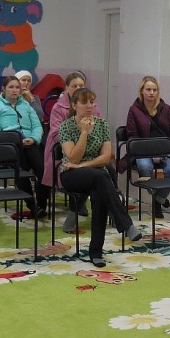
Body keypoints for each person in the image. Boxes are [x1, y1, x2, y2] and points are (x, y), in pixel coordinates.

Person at [59, 87, 143, 266]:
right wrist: (84, 132)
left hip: (94, 174)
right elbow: (73, 158)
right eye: (84, 102)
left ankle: (96, 253)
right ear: (74, 105)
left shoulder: (102, 124)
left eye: (92, 102)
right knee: (102, 177)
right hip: (71, 175)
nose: (89, 106)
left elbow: (105, 158)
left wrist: (83, 165)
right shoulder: (66, 126)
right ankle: (126, 224)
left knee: (99, 194)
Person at [43, 71, 102, 231]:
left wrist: (89, 139)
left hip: (90, 152)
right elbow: (56, 134)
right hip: (65, 152)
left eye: (81, 85)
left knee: (106, 171)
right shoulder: (58, 107)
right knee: (97, 174)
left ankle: (92, 209)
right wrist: (80, 135)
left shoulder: (93, 107)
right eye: (74, 86)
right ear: (67, 88)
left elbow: (99, 131)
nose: (78, 88)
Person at [122, 75, 170, 218]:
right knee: (145, 168)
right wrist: (147, 149)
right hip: (143, 150)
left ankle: (158, 199)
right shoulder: (134, 110)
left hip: (165, 149)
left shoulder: (165, 109)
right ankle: (159, 197)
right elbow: (132, 135)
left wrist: (167, 146)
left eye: (154, 90)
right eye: (148, 89)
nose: (151, 93)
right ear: (142, 91)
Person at [0, 74, 47, 218]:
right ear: (3, 89)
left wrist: (33, 138)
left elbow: (37, 125)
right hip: (10, 146)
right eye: (11, 87)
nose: (14, 90)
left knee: (44, 170)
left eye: (17, 87)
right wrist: (12, 140)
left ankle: (42, 204)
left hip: (30, 143)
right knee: (20, 172)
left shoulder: (26, 105)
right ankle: (33, 206)